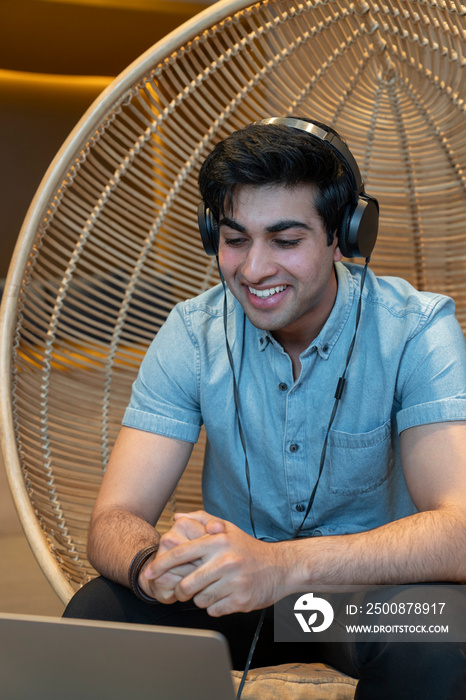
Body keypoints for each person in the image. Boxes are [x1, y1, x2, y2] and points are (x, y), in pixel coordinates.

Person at [64, 117, 466, 698]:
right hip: (236, 598)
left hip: (364, 601)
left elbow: (458, 531)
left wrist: (283, 566)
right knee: (98, 612)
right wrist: (153, 565)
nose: (253, 270)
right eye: (234, 240)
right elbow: (113, 519)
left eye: (285, 240)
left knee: (439, 635)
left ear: (344, 235)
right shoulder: (192, 333)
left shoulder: (416, 331)